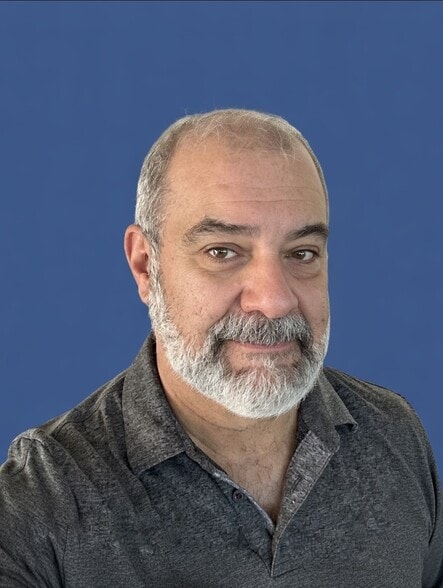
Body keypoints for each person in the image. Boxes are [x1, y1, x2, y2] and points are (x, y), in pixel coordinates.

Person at [0, 109, 441, 588]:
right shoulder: (43, 500)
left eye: (301, 254)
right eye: (222, 251)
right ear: (146, 266)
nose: (274, 301)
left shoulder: (394, 436)